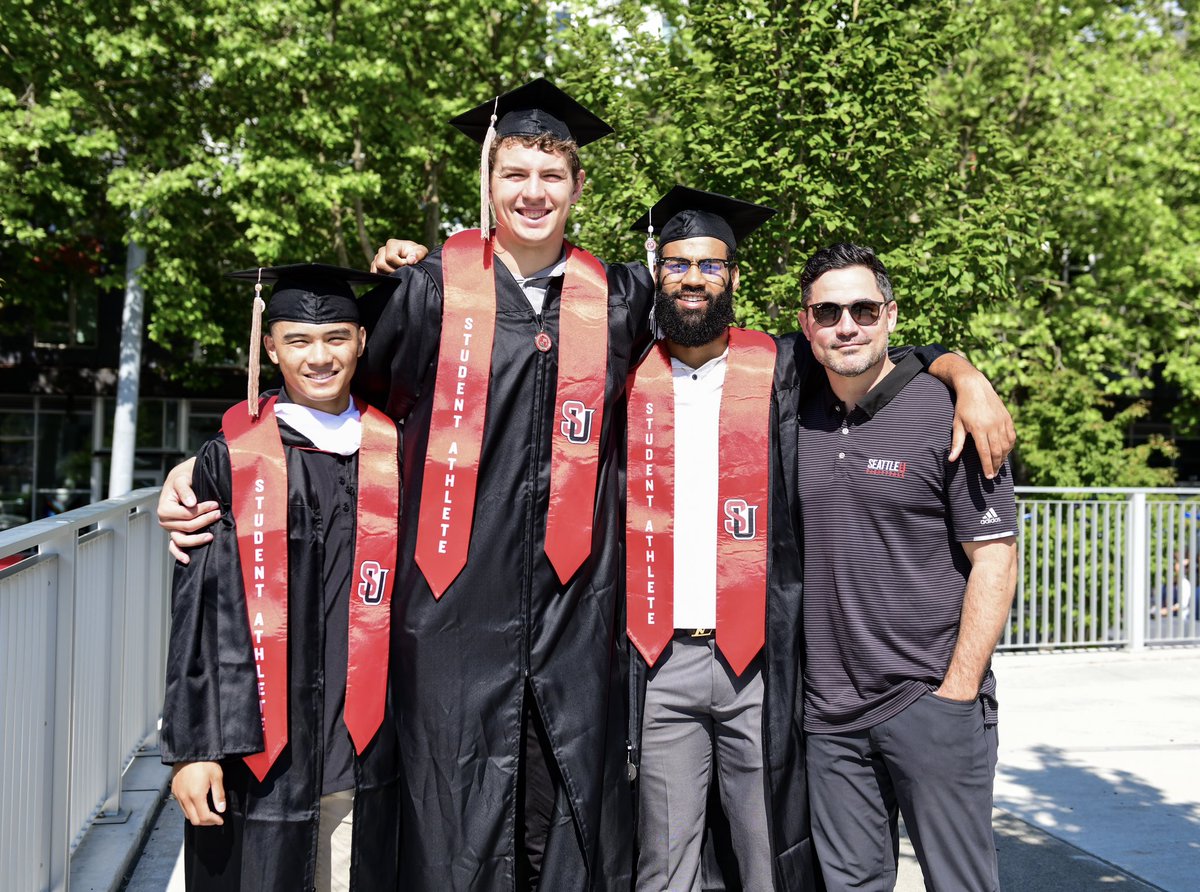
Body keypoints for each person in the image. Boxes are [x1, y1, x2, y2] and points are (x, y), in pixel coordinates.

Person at [161, 79, 655, 892]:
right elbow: (337, 412)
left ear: (578, 187)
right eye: (515, 173)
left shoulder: (624, 299)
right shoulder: (430, 293)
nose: (533, 193)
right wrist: (199, 463)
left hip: (578, 619)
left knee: (566, 822)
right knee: (447, 826)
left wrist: (942, 367)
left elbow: (699, 397)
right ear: (488, 179)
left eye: (552, 176)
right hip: (445, 618)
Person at [622, 189, 1007, 892]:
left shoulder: (776, 368)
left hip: (759, 664)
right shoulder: (624, 369)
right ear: (656, 272)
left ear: (734, 276)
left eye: (711, 263)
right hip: (662, 658)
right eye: (677, 262)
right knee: (665, 865)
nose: (694, 277)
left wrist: (965, 371)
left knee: (772, 854)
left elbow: (882, 357)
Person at [160, 264, 403, 891]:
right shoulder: (233, 458)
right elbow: (198, 612)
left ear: (361, 341)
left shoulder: (398, 451)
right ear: (270, 348)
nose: (319, 357)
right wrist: (192, 750)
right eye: (298, 340)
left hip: (365, 753)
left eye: (336, 338)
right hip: (255, 757)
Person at [795, 243, 1019, 892]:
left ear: (891, 316)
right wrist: (960, 366)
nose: (847, 325)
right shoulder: (795, 408)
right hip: (829, 716)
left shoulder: (947, 414)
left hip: (928, 699)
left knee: (960, 883)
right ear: (807, 324)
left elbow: (995, 560)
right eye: (828, 311)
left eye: (864, 309)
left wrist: (956, 694)